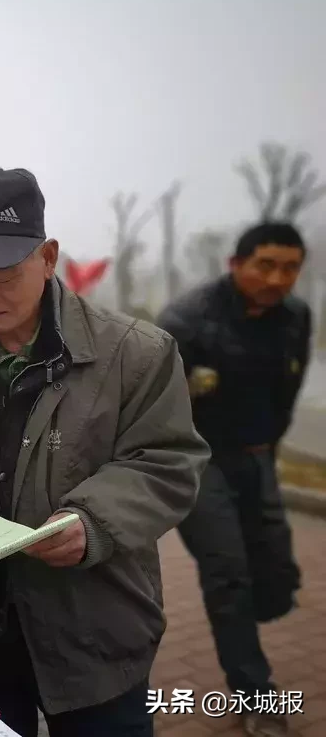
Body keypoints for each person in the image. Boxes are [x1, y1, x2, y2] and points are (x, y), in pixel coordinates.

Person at [0, 168, 209, 737]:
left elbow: (165, 461)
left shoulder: (137, 353)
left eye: (1, 277)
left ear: (47, 257)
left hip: (95, 626)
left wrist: (90, 521)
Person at [157, 222, 308, 737]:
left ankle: (252, 612)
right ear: (236, 264)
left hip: (258, 456)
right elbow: (159, 407)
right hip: (199, 463)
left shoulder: (296, 318)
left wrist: (269, 442)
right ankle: (256, 696)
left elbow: (288, 389)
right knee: (228, 575)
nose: (277, 278)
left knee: (277, 572)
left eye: (290, 268)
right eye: (265, 265)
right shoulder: (187, 321)